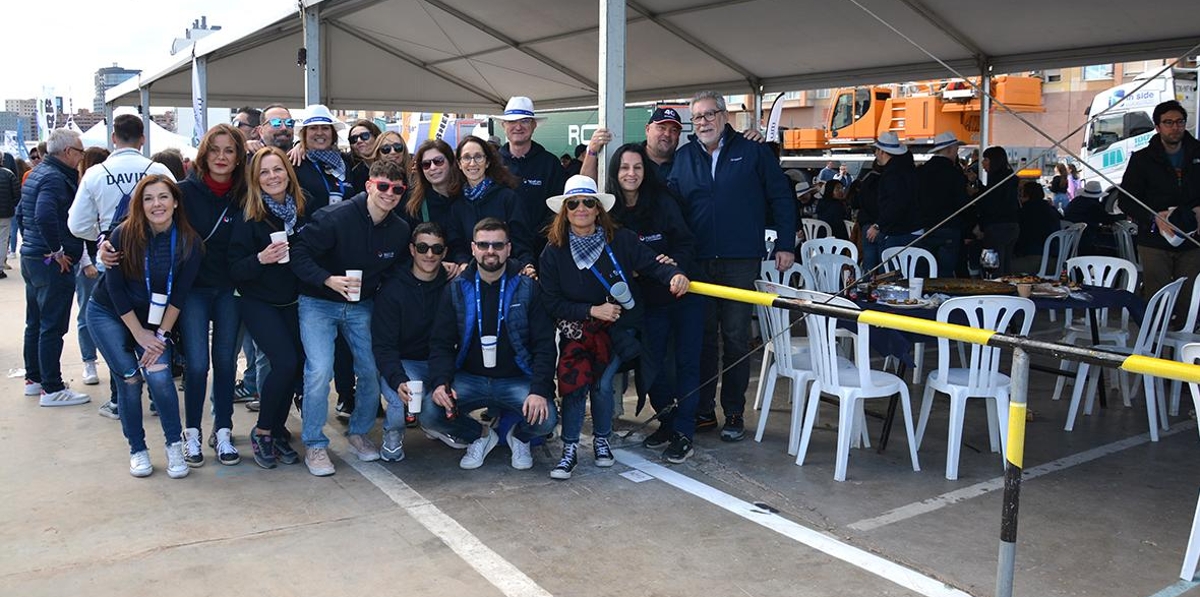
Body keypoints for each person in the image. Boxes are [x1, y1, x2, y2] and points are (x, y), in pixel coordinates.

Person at [667, 91, 795, 440]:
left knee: (737, 337)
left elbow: (781, 196)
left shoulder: (752, 151)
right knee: (704, 338)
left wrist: (786, 243)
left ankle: (735, 411)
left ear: (725, 117)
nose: (704, 122)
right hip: (698, 262)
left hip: (741, 260)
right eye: (698, 117)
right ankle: (705, 411)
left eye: (710, 114)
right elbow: (671, 209)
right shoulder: (684, 158)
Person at [539, 175, 687, 478]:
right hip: (577, 331)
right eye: (573, 203)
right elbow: (551, 302)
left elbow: (653, 264)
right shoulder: (552, 252)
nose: (581, 208)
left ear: (598, 209)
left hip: (617, 332)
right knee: (575, 385)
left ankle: (602, 440)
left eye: (588, 202)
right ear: (565, 211)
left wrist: (675, 274)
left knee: (602, 384)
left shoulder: (622, 240)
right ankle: (570, 449)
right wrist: (591, 310)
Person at [290, 159, 411, 477]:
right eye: (383, 186)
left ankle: (359, 431)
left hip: (362, 304)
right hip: (318, 302)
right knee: (319, 371)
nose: (390, 194)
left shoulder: (399, 230)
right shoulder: (336, 217)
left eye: (397, 189)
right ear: (369, 185)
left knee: (371, 369)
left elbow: (398, 271)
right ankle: (315, 443)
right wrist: (328, 279)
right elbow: (298, 254)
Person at [86, 175, 201, 478]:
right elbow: (114, 289)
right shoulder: (123, 235)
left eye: (163, 197)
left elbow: (179, 296)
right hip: (110, 313)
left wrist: (160, 337)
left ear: (175, 202)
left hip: (154, 321)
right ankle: (137, 448)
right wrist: (139, 334)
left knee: (160, 376)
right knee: (129, 379)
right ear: (140, 204)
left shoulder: (190, 242)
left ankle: (174, 445)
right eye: (148, 198)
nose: (156, 204)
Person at [425, 218, 557, 471]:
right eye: (484, 245)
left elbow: (544, 345)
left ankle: (519, 437)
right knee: (430, 412)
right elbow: (440, 343)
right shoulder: (456, 289)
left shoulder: (528, 289)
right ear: (473, 248)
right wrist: (441, 382)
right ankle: (481, 435)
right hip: (470, 378)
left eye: (497, 245)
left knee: (547, 418)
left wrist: (539, 389)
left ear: (508, 248)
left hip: (514, 379)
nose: (490, 251)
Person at [69, 115, 176, 418]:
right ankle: (158, 395)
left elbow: (76, 224)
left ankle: (120, 400)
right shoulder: (158, 170)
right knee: (157, 326)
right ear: (142, 138)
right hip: (158, 264)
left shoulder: (95, 173)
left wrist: (102, 238)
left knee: (117, 330)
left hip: (113, 260)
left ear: (113, 138)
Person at [604, 145, 701, 462]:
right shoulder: (610, 213)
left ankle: (684, 432)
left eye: (637, 167)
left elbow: (686, 241)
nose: (631, 174)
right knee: (652, 367)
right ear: (615, 174)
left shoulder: (663, 202)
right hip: (645, 303)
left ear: (646, 172)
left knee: (687, 364)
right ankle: (669, 421)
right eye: (624, 168)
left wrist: (677, 265)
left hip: (681, 295)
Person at [228, 147, 311, 469]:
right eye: (264, 172)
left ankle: (276, 429)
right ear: (255, 179)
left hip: (294, 299)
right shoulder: (248, 215)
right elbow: (234, 269)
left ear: (288, 174)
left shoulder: (303, 210)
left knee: (296, 364)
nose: (273, 176)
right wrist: (260, 259)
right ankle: (263, 430)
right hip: (257, 301)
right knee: (285, 361)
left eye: (278, 170)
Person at [174, 124, 246, 467]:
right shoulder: (183, 192)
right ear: (204, 154)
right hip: (193, 291)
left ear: (238, 157)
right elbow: (144, 217)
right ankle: (192, 433)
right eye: (214, 149)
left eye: (229, 150)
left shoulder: (246, 193)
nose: (221, 156)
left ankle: (223, 430)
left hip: (230, 290)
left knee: (226, 363)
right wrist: (109, 242)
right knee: (198, 364)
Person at [371, 222, 454, 461]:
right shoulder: (392, 290)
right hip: (405, 362)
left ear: (445, 252)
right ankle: (393, 432)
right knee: (400, 400)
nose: (429, 254)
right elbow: (384, 347)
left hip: (441, 361)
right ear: (412, 249)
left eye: (437, 249)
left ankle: (437, 425)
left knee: (453, 398)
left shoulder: (452, 286)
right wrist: (398, 380)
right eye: (423, 247)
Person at [20, 128, 90, 406]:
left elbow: (25, 215)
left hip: (33, 257)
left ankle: (34, 379)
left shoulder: (38, 173)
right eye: (80, 152)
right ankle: (51, 387)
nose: (81, 158)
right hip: (50, 262)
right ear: (68, 152)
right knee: (52, 324)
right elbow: (43, 214)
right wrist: (57, 250)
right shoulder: (54, 178)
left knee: (36, 321)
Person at [1119, 100, 1200, 320]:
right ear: (1157, 127)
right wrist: (1154, 217)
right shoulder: (1142, 159)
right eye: (1168, 122)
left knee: (1189, 299)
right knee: (1158, 299)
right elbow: (1125, 200)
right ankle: (1156, 349)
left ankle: (1185, 349)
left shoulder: (1198, 153)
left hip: (1193, 240)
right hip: (1154, 240)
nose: (1175, 127)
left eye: (1180, 122)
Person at [445, 136, 535, 274]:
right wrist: (463, 263)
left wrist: (527, 264)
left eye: (478, 157)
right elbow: (456, 244)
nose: (472, 163)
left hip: (508, 274)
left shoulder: (507, 198)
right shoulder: (457, 204)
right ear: (459, 164)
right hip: (471, 276)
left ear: (487, 162)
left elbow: (521, 239)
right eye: (466, 157)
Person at [494, 96, 566, 252]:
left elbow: (559, 208)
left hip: (542, 247)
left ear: (534, 125)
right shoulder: (493, 164)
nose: (518, 127)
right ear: (503, 125)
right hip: (500, 249)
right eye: (512, 121)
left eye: (525, 121)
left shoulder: (550, 164)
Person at [581, 107, 683, 184]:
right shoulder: (628, 157)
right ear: (647, 129)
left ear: (679, 135)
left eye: (674, 130)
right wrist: (592, 150)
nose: (667, 134)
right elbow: (586, 185)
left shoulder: (684, 163)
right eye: (661, 128)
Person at [406, 139, 463, 274]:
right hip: (432, 274)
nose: (433, 168)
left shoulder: (467, 195)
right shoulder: (415, 204)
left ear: (451, 162)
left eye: (438, 161)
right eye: (426, 164)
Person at [918, 131, 969, 277]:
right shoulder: (954, 173)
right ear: (949, 150)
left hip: (926, 227)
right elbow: (962, 202)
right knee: (945, 272)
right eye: (956, 150)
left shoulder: (922, 171)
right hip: (949, 227)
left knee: (926, 270)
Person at [871, 132, 922, 257]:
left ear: (882, 151)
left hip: (900, 231)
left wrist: (878, 225)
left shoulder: (892, 174)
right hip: (913, 229)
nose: (875, 154)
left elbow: (895, 204)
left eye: (876, 150)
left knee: (893, 272)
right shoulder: (907, 169)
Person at [975, 146, 1021, 275]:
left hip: (996, 227)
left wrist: (981, 226)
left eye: (986, 159)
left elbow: (991, 204)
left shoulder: (996, 180)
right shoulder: (1010, 179)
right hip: (1012, 226)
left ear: (993, 161)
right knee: (1005, 266)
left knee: (993, 267)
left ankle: (996, 291)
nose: (983, 163)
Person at [1063, 180, 1124, 255]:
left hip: (1069, 238)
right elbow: (1107, 219)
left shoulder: (1076, 201)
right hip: (1084, 239)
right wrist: (1123, 216)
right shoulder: (1093, 205)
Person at [1013, 180, 1062, 273]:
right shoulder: (1051, 209)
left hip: (1033, 259)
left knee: (1002, 264)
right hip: (1056, 261)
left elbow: (1020, 239)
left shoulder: (1024, 212)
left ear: (1025, 195)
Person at [345, 119, 384, 194]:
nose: (359, 141)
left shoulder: (392, 161)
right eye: (353, 139)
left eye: (364, 136)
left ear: (376, 137)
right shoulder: (353, 173)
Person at [0, 158, 17, 275]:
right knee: (3, 240)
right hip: (5, 213)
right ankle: (0, 267)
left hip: (6, 211)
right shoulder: (9, 174)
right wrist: (11, 205)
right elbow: (17, 194)